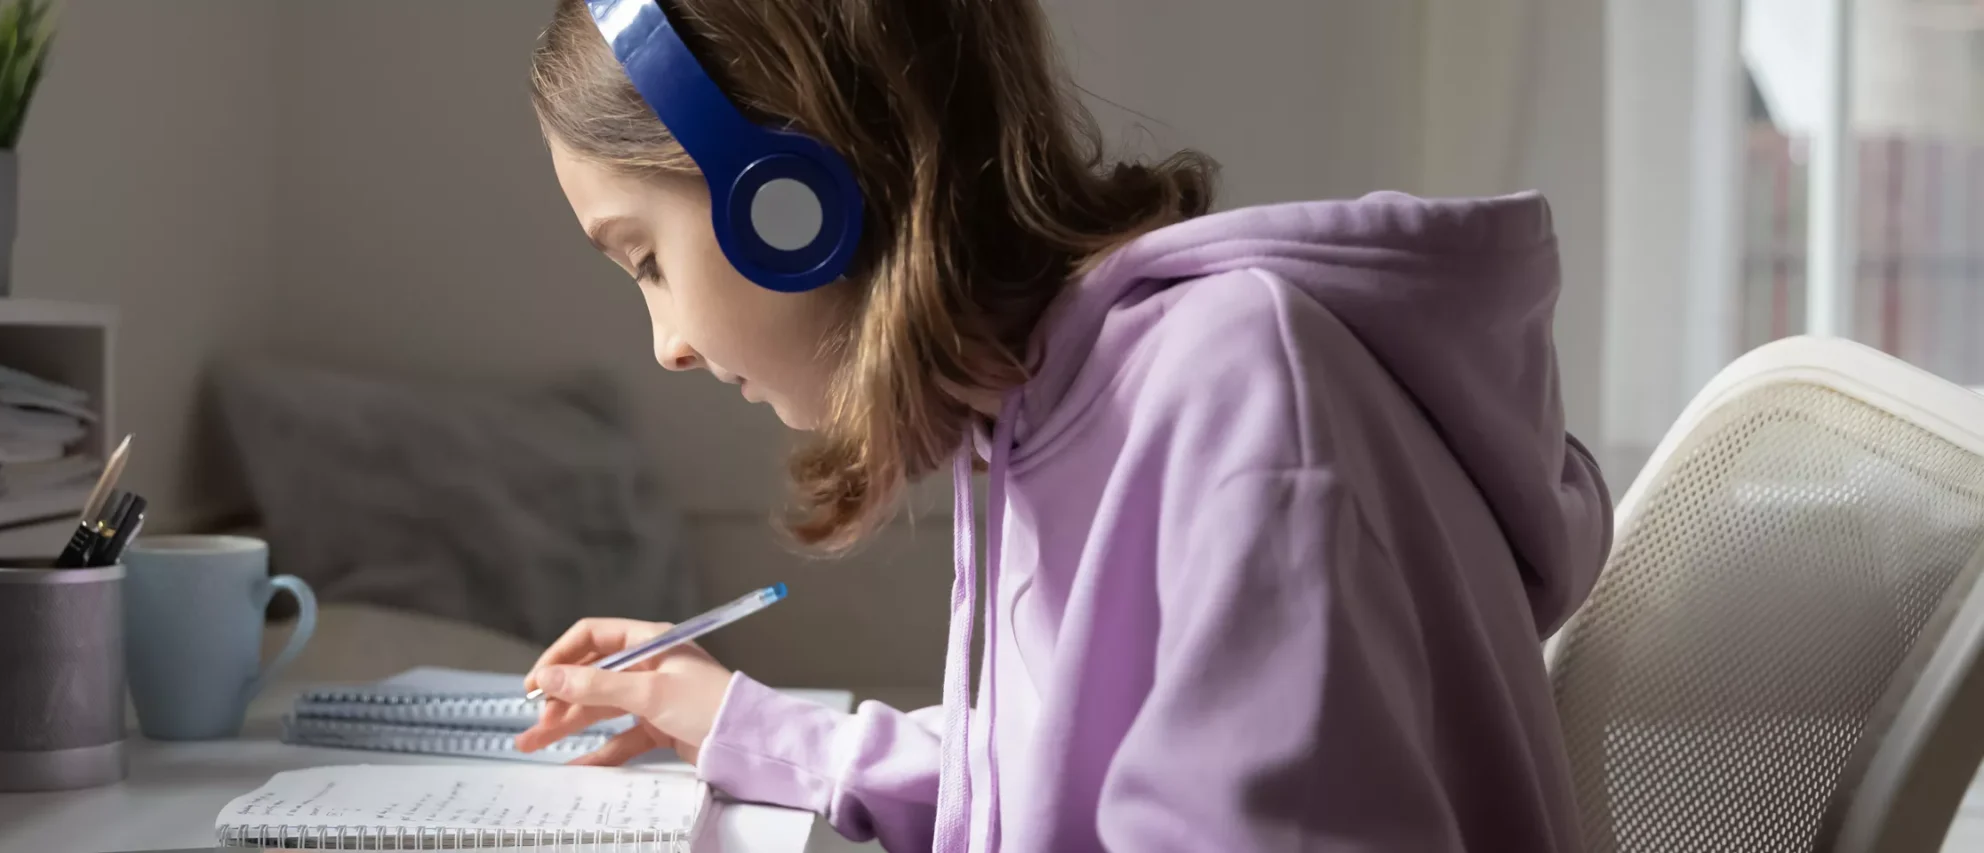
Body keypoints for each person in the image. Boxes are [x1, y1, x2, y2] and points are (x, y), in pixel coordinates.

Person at [513, 0, 1612, 850]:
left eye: (647, 260)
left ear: (786, 200)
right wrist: (749, 728)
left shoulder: (1232, 390)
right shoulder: (1035, 407)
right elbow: (1051, 787)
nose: (666, 342)